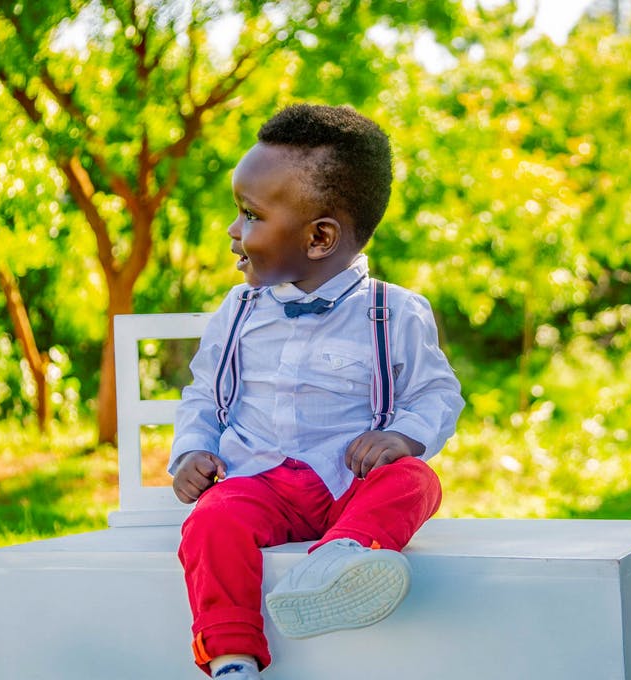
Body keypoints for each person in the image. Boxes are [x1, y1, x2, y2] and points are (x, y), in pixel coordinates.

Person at [169, 103, 464, 680]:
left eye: (250, 216)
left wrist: (402, 436)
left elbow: (435, 394)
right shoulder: (237, 312)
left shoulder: (393, 311)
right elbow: (203, 393)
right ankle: (233, 657)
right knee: (211, 520)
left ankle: (340, 560)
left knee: (415, 480)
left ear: (320, 236)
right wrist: (190, 452)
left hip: (347, 485)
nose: (234, 231)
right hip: (260, 483)